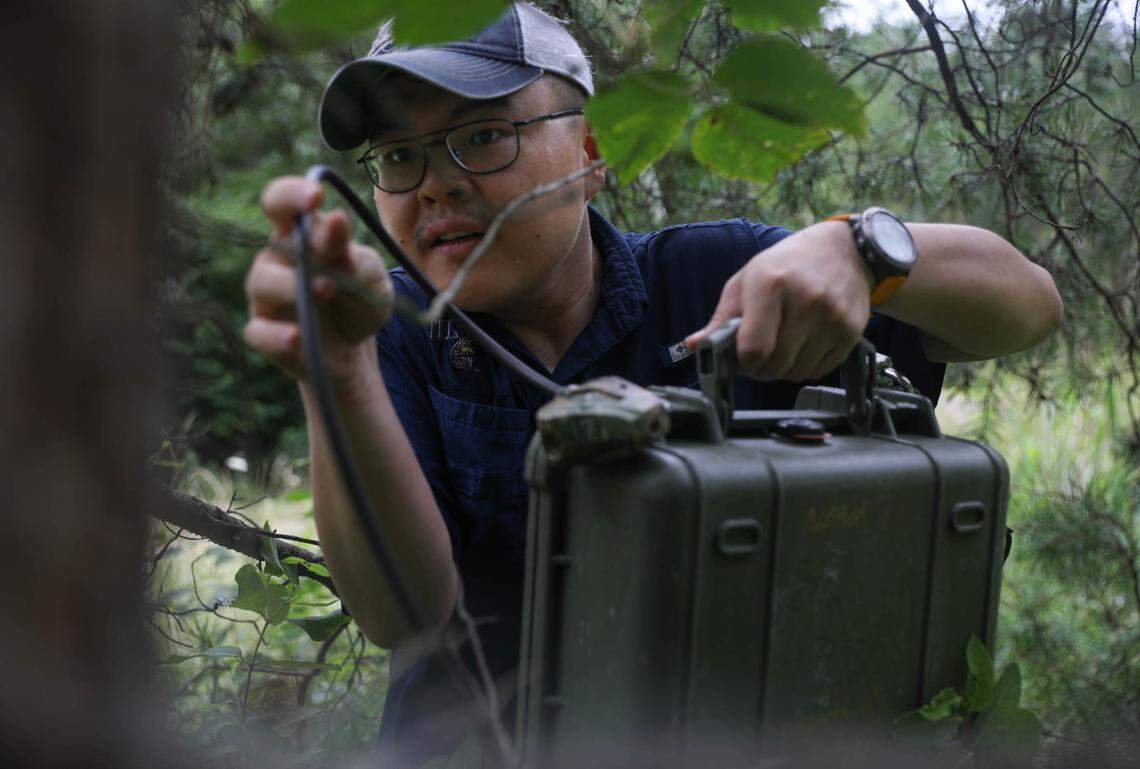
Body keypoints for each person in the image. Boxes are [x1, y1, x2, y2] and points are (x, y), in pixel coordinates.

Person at [242, 3, 1062, 765]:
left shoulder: (715, 275)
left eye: (483, 134)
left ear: (591, 154)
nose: (434, 182)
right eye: (397, 155)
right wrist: (337, 372)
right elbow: (404, 612)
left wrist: (860, 250)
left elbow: (1027, 305)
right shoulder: (393, 326)